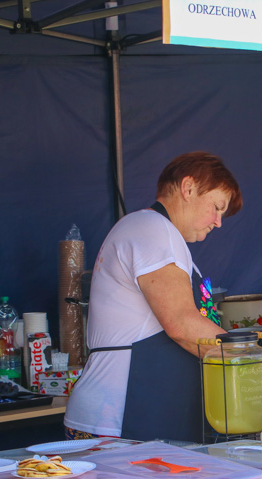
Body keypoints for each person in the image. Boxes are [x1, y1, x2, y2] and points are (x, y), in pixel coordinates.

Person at [64, 152, 242, 443]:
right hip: (120, 419)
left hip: (134, 411)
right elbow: (182, 324)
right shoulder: (153, 228)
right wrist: (251, 359)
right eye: (217, 207)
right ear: (188, 188)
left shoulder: (151, 231)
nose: (218, 222)